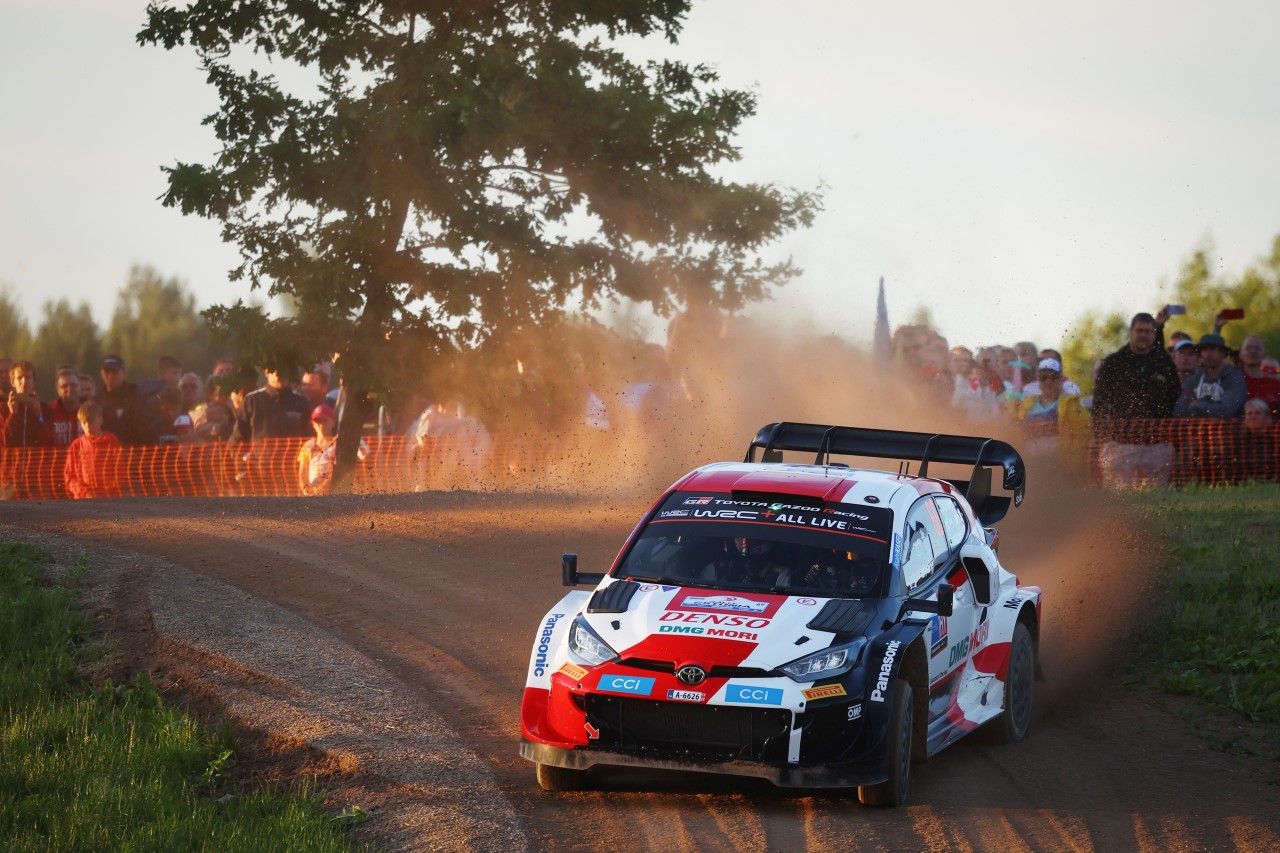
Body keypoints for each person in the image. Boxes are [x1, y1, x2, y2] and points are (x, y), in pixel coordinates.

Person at [1091, 313, 1181, 487]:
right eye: (1139, 331)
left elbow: (1175, 395)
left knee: (1158, 497)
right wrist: (1102, 434)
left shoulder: (1164, 363)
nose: (1143, 335)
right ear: (1130, 332)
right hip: (1120, 444)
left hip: (1158, 444)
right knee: (1119, 498)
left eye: (1148, 331)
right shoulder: (1113, 363)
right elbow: (1099, 403)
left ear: (1154, 334)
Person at [1014, 358, 1090, 451]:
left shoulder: (1070, 403)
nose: (1048, 381)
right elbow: (1018, 430)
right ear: (1038, 380)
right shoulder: (1028, 402)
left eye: (1053, 377)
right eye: (1043, 377)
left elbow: (1083, 433)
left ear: (1061, 379)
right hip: (1029, 457)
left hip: (1060, 457)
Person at [297, 403, 367, 496]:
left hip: (336, 491)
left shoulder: (340, 443)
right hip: (313, 494)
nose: (321, 425)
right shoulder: (308, 446)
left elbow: (363, 458)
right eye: (318, 421)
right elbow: (303, 472)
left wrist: (351, 435)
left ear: (333, 422)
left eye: (325, 421)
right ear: (313, 424)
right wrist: (307, 492)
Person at [1173, 334, 1247, 419]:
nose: (1208, 354)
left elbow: (1226, 411)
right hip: (1196, 427)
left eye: (1213, 349)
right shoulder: (1194, 379)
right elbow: (1179, 409)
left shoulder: (1234, 378)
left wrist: (1197, 404)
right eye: (1204, 350)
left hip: (1226, 427)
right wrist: (1212, 408)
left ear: (1223, 353)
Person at [63, 401, 123, 499]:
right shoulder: (76, 445)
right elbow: (69, 476)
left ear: (100, 420)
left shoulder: (111, 441)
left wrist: (106, 492)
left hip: (108, 498)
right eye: (84, 422)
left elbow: (120, 471)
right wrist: (85, 493)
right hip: (83, 499)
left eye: (91, 422)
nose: (87, 426)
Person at [98, 354, 154, 445]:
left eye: (115, 372)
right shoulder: (97, 400)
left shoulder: (135, 395)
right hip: (105, 451)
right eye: (107, 372)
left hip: (131, 450)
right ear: (101, 374)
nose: (110, 376)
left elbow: (144, 429)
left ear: (124, 373)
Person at [46, 367, 83, 448]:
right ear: (58, 391)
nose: (69, 389)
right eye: (64, 386)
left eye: (73, 385)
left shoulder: (91, 411)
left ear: (80, 387)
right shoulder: (48, 411)